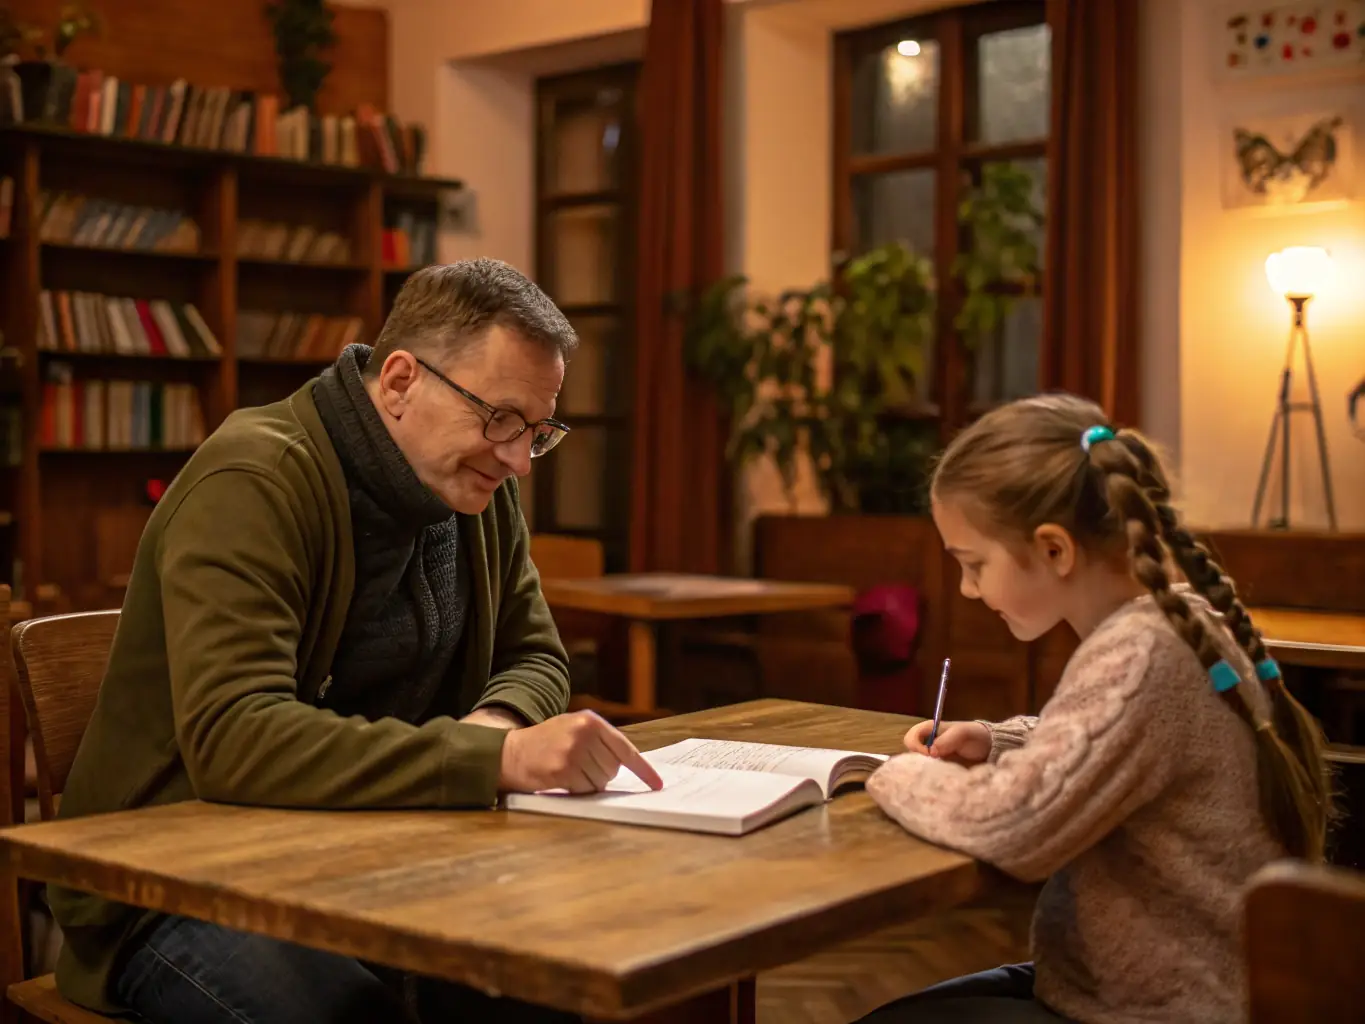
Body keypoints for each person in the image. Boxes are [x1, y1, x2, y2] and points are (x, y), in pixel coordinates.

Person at [50, 259, 663, 1023]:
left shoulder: (479, 491)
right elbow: (235, 736)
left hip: (374, 858)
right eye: (500, 417)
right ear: (401, 380)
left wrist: (495, 725)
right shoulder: (255, 479)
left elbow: (534, 655)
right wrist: (495, 759)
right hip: (171, 887)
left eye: (536, 432)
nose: (515, 460)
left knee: (567, 983)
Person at [858, 393, 1332, 1024]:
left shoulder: (1140, 657)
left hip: (1163, 1009)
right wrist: (995, 741)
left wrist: (893, 774)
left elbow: (1016, 827)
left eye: (974, 565)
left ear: (1054, 550)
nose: (969, 589)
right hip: (1142, 988)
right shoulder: (1177, 624)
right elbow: (1113, 743)